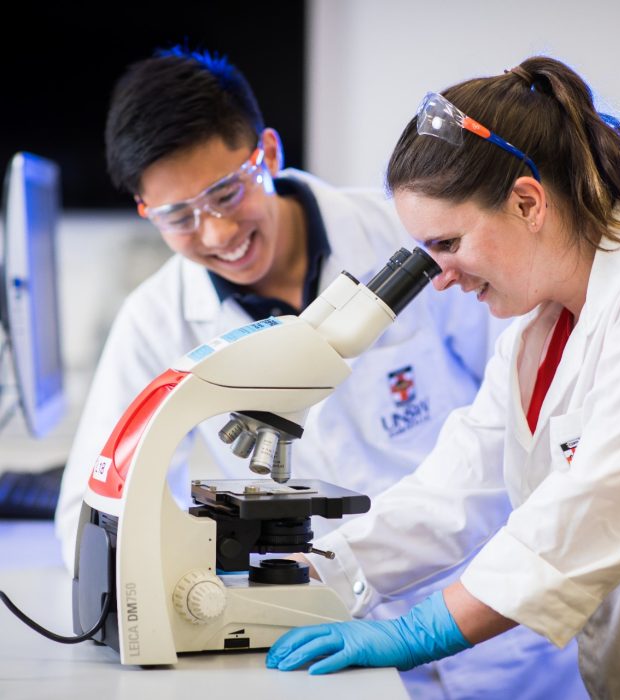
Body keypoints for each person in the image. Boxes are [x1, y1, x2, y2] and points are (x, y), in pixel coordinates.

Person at [54, 48, 585, 699]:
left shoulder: (428, 239)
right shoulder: (155, 319)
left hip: (502, 630)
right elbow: (89, 512)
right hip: (317, 634)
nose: (217, 231)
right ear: (145, 211)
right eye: (179, 217)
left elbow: (513, 430)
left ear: (267, 153)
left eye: (227, 191)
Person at [266, 56, 620, 700]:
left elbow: (599, 500)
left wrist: (421, 630)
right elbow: (457, 487)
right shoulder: (539, 325)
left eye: (447, 244)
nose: (440, 277)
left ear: (527, 201)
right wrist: (310, 574)